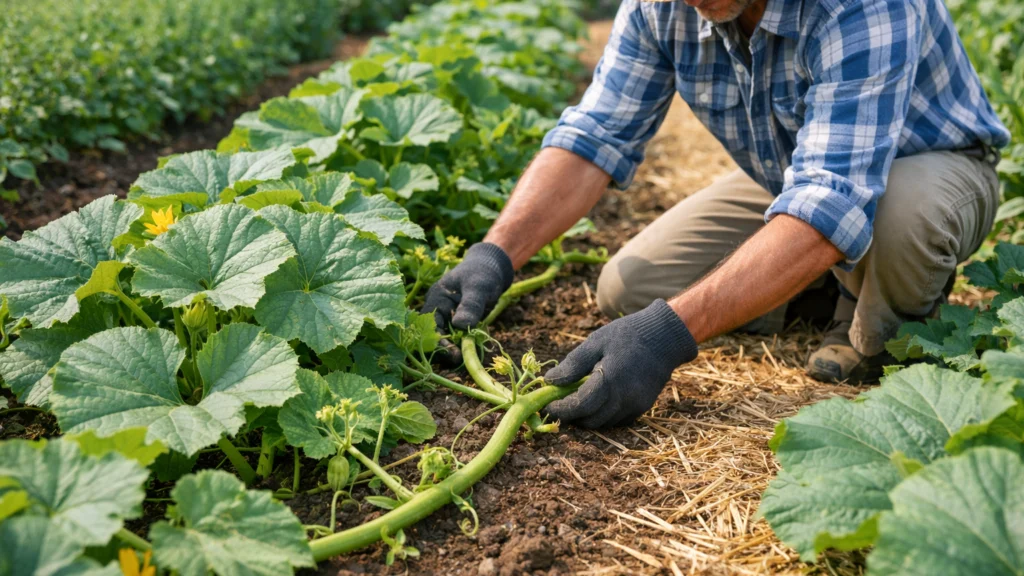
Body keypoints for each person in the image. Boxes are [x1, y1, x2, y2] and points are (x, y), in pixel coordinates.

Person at [423, 0, 1010, 430]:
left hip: (930, 167)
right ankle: (825, 278)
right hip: (795, 175)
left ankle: (877, 325)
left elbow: (832, 197)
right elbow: (596, 134)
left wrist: (668, 337)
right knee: (630, 287)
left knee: (901, 219)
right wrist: (494, 254)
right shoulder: (661, 8)